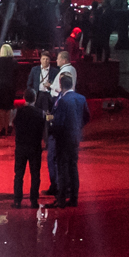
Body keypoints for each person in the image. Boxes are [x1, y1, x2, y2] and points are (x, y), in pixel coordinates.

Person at [49, 68, 89, 207]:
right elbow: (87, 117)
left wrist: (52, 130)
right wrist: (77, 127)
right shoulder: (81, 98)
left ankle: (61, 200)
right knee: (73, 167)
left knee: (62, 168)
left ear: (61, 85)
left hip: (63, 139)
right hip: (75, 138)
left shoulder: (63, 101)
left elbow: (59, 122)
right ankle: (74, 198)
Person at [12, 79, 48, 208]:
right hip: (35, 147)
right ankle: (34, 200)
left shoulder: (19, 112)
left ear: (24, 98)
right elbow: (44, 128)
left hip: (21, 147)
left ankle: (17, 200)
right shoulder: (41, 113)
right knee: (35, 174)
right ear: (35, 98)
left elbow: (14, 125)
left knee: (19, 174)